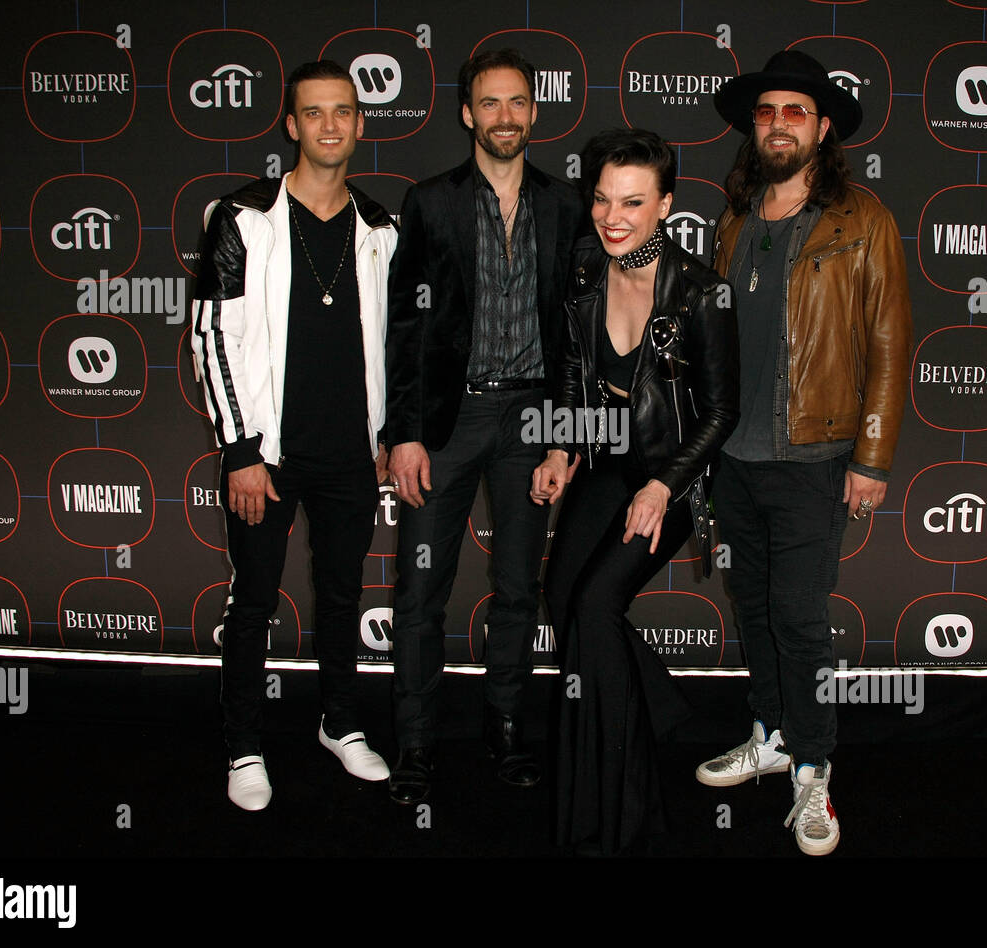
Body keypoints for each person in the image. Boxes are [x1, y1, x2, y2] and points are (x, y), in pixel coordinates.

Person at [695, 50, 912, 855]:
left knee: (799, 617)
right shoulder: (734, 218)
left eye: (796, 111)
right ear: (754, 128)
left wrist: (873, 458)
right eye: (766, 112)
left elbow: (889, 341)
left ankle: (814, 767)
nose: (779, 124)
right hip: (735, 459)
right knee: (753, 610)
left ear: (822, 129)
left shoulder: (863, 220)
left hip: (817, 457)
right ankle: (771, 735)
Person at [190, 60, 396, 811]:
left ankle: (340, 724)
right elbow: (212, 338)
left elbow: (392, 342)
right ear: (291, 125)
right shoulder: (241, 218)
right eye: (314, 113)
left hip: (350, 454)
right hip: (267, 457)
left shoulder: (380, 227)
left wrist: (385, 432)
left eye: (342, 111)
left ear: (360, 123)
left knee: (343, 596)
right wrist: (241, 452)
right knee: (252, 604)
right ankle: (244, 745)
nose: (330, 126)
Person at [383, 49, 584, 804]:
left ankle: (504, 728)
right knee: (420, 591)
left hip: (532, 416)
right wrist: (404, 433)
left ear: (534, 112)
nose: (505, 116)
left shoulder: (566, 205)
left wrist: (564, 434)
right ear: (468, 113)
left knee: (516, 589)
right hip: (448, 420)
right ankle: (415, 743)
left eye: (517, 102)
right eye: (490, 103)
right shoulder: (430, 201)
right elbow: (405, 329)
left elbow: (578, 332)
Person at [532, 128, 738, 856]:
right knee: (563, 596)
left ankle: (623, 812)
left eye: (632, 202)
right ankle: (655, 705)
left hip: (672, 473)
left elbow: (720, 413)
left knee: (595, 605)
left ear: (665, 205)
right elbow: (569, 369)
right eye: (601, 200)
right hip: (606, 458)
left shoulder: (701, 290)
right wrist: (560, 446)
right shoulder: (586, 268)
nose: (612, 217)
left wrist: (662, 485)